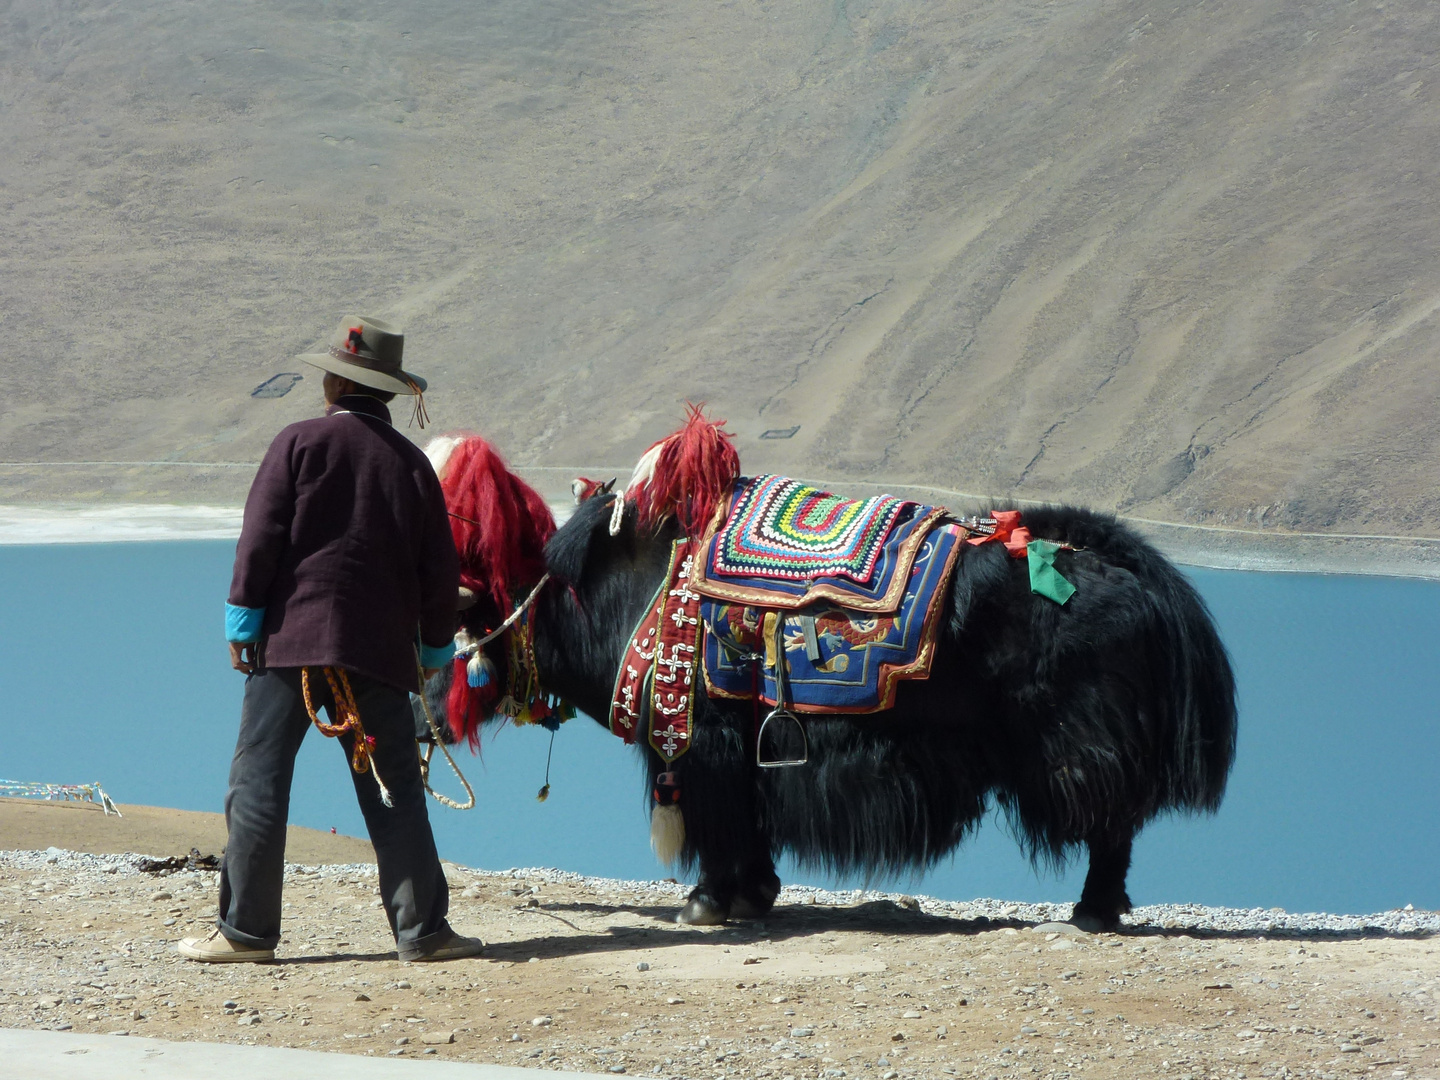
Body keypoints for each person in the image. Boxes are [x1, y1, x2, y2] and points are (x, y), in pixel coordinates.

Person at [178, 316, 482, 963]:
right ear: (388, 391)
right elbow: (438, 575)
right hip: (377, 657)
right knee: (392, 786)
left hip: (290, 649)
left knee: (259, 780)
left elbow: (258, 541)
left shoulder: (298, 443)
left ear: (339, 381)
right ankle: (423, 933)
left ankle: (246, 933)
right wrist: (433, 652)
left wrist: (242, 624)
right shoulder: (414, 469)